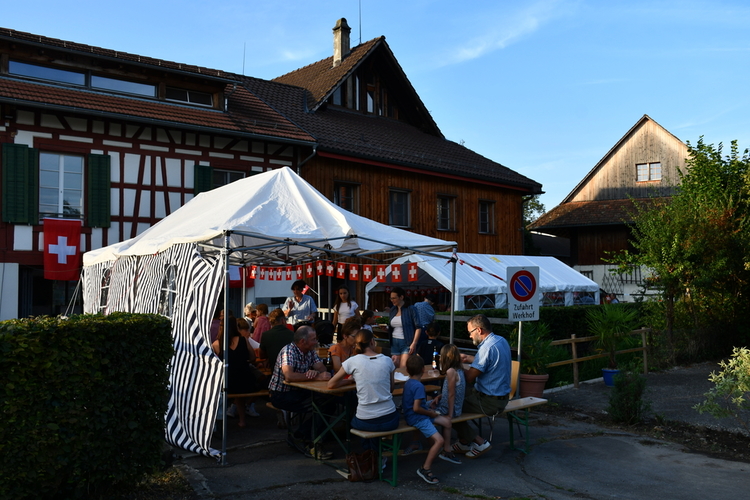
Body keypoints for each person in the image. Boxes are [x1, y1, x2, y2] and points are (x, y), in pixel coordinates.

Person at [328, 329, 399, 453]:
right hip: (389, 418)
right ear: (372, 342)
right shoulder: (388, 360)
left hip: (365, 419)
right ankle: (377, 455)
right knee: (376, 426)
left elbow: (331, 384)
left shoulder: (352, 362)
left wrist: (350, 380)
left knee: (356, 421)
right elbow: (391, 389)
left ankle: (371, 456)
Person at [268, 325, 333, 459]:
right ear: (303, 341)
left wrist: (319, 372)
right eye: (313, 339)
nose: (316, 342)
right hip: (281, 394)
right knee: (321, 405)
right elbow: (289, 376)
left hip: (299, 391)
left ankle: (302, 435)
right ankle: (312, 442)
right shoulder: (288, 351)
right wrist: (315, 375)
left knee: (329, 401)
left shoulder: (310, 351)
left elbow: (321, 369)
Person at [452, 314, 511, 459]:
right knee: (455, 397)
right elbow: (490, 362)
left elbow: (469, 378)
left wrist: (454, 365)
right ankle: (464, 441)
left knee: (449, 407)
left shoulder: (486, 349)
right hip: (501, 397)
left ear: (479, 330)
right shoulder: (500, 340)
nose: (470, 336)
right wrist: (471, 358)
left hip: (489, 401)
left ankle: (479, 442)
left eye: (470, 332)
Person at [402, 355, 452, 484]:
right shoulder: (419, 386)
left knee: (447, 422)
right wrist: (431, 414)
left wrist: (429, 405)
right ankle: (425, 468)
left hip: (413, 415)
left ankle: (444, 452)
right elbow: (417, 408)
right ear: (423, 369)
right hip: (418, 418)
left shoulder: (408, 383)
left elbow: (416, 405)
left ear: (407, 370)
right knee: (439, 440)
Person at [212, 313, 259, 428]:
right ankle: (242, 420)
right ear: (235, 326)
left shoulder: (217, 344)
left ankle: (218, 421)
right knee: (240, 390)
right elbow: (253, 357)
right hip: (245, 381)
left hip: (226, 382)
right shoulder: (243, 340)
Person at [430, 344, 466, 464]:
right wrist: (440, 396)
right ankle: (446, 449)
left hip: (448, 409)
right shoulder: (459, 370)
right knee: (428, 403)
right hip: (456, 407)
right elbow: (452, 390)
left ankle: (427, 444)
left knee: (420, 408)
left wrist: (449, 414)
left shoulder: (450, 371)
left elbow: (451, 394)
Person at [388, 287, 422, 368]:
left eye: (394, 298)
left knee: (403, 367)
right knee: (394, 367)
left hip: (407, 341)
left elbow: (418, 327)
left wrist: (414, 343)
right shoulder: (393, 310)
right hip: (394, 341)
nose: (392, 300)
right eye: (391, 298)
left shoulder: (411, 309)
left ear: (401, 297)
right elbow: (393, 326)